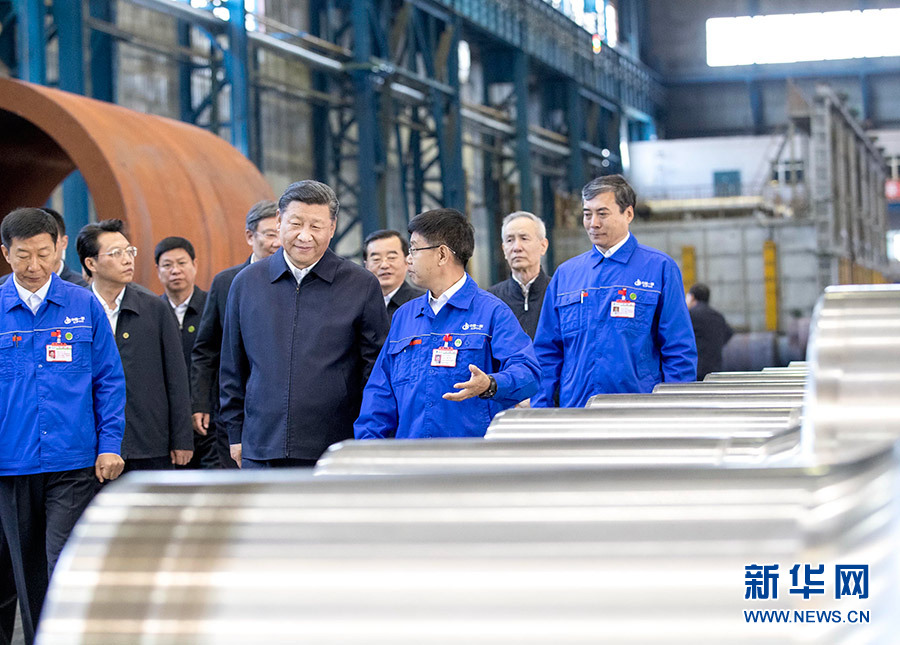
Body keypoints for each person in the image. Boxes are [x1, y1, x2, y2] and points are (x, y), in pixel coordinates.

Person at [0, 208, 125, 645]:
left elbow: (109, 379)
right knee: (25, 571)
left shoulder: (82, 304)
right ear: (6, 253)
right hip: (11, 464)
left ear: (59, 248)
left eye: (43, 253)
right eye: (22, 255)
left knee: (65, 562)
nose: (34, 265)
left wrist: (110, 444)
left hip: (72, 461)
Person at [220, 180, 388, 467]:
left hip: (336, 447)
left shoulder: (361, 285)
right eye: (296, 223)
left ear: (332, 228)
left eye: (316, 226)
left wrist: (368, 436)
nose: (305, 236)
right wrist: (235, 433)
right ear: (279, 221)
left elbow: (375, 369)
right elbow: (232, 367)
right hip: (261, 446)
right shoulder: (247, 283)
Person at [354, 208, 541, 440]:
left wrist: (490, 384)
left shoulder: (492, 312)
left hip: (471, 456)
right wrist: (368, 447)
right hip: (411, 456)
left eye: (414, 249)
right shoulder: (405, 317)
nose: (408, 259)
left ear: (442, 255)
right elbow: (379, 394)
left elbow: (528, 373)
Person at [532, 175, 696, 408]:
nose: (593, 223)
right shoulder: (566, 275)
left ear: (628, 214)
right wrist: (541, 409)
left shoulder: (659, 268)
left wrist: (674, 410)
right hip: (578, 411)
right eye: (587, 214)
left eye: (602, 213)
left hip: (639, 411)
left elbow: (678, 349)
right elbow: (547, 353)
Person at [77, 220, 193, 471]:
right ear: (91, 264)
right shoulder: (75, 309)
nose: (128, 260)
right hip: (88, 443)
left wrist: (182, 438)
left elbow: (176, 376)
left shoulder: (154, 307)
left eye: (130, 251)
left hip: (148, 440)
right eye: (116, 253)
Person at [190, 200, 280, 468]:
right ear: (250, 236)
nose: (277, 243)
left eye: (281, 233)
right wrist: (199, 402)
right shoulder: (226, 282)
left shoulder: (296, 281)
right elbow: (206, 349)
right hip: (235, 405)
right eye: (270, 234)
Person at [155, 236, 218, 468]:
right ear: (158, 270)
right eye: (167, 265)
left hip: (211, 420)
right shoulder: (152, 311)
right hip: (168, 425)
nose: (175, 271)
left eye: (182, 263)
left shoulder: (213, 305)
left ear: (195, 265)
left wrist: (202, 403)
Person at [487, 211, 550, 339]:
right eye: (510, 240)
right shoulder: (491, 299)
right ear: (504, 250)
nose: (517, 247)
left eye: (524, 238)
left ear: (543, 246)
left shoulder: (558, 293)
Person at [0, 208, 87, 288]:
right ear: (6, 253)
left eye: (42, 255)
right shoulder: (2, 286)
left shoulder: (82, 292)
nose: (34, 267)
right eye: (23, 256)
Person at [363, 229, 424, 319]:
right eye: (376, 259)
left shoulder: (421, 304)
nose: (384, 265)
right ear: (366, 265)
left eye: (391, 257)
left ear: (407, 261)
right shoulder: (358, 305)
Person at [686, 283, 733, 380]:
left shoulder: (690, 315)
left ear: (692, 297)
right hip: (715, 368)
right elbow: (729, 333)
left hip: (695, 369)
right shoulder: (718, 316)